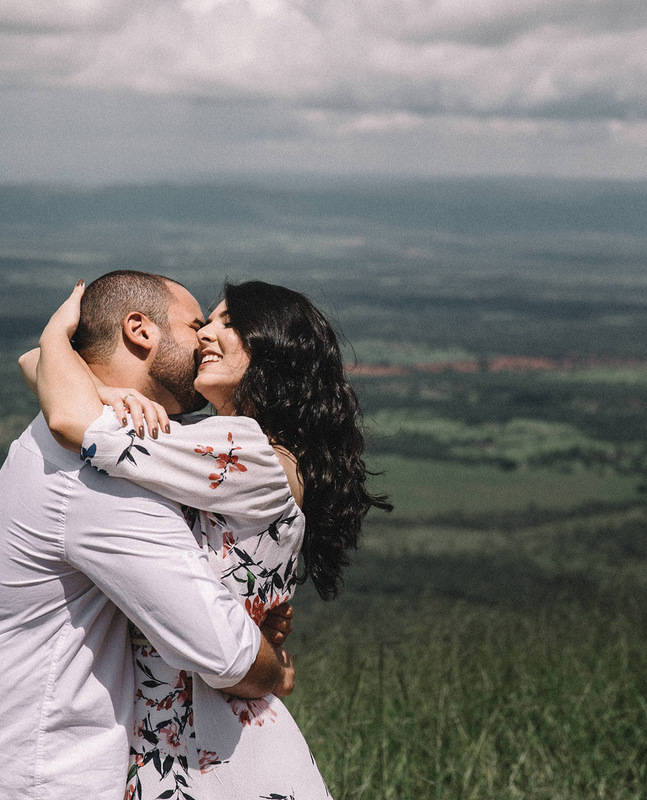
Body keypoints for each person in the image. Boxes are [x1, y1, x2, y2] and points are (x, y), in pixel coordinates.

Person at [0, 271, 296, 800]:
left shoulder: (92, 438)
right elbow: (225, 653)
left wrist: (88, 378)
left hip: (2, 746)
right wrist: (277, 669)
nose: (205, 339)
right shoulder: (100, 478)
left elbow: (42, 372)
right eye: (196, 324)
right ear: (140, 331)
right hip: (41, 766)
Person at [28, 278, 391, 799]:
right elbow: (43, 377)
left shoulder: (249, 454)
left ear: (272, 350)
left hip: (214, 747)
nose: (205, 336)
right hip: (182, 732)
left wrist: (58, 332)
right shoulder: (215, 440)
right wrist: (111, 391)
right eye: (206, 321)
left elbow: (65, 411)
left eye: (228, 323)